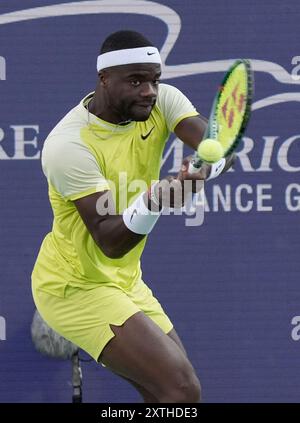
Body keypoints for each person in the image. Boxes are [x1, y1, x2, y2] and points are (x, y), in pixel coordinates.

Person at [32, 30, 234, 403]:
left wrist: (202, 170)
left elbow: (219, 148)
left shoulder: (163, 102)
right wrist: (155, 201)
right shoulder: (69, 146)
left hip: (125, 282)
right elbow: (110, 241)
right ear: (104, 80)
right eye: (136, 81)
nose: (149, 92)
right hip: (74, 288)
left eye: (154, 80)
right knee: (180, 388)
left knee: (172, 395)